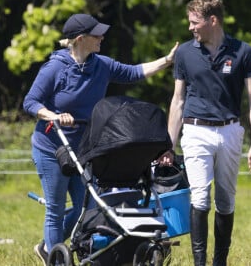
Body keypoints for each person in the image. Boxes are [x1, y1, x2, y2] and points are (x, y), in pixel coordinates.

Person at [23, 13, 178, 265]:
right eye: (97, 35)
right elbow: (30, 102)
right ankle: (55, 258)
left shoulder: (100, 64)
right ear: (81, 39)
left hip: (82, 149)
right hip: (52, 147)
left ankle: (48, 247)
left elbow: (133, 72)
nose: (102, 37)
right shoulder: (55, 68)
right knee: (55, 207)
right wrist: (54, 115)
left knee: (89, 206)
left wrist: (167, 60)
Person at [159, 0, 251, 266]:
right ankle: (200, 263)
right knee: (200, 197)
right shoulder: (184, 53)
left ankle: (220, 261)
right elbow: (178, 101)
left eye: (195, 22)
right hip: (195, 132)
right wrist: (169, 144)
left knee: (226, 201)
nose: (190, 27)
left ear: (212, 20)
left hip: (230, 132)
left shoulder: (243, 52)